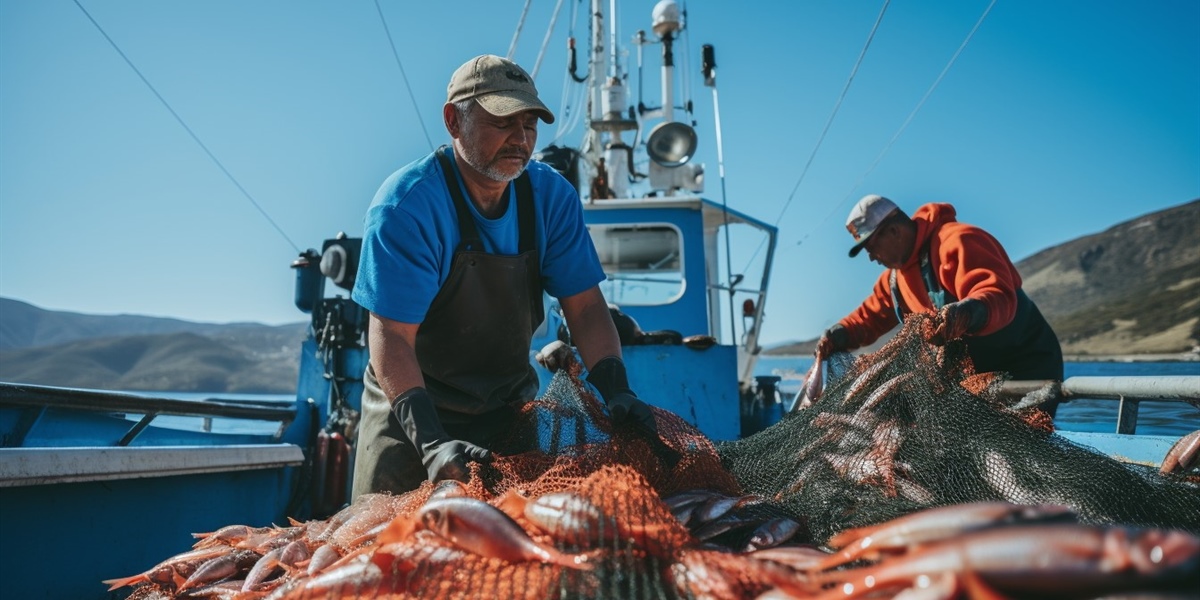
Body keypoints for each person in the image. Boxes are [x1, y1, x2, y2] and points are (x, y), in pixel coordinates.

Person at [349, 55, 657, 498]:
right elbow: (391, 336)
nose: (521, 138)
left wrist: (617, 389)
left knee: (513, 534)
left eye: (530, 124)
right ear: (453, 121)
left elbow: (587, 307)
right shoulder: (406, 207)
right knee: (387, 536)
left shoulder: (551, 197)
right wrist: (432, 444)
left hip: (507, 414)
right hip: (410, 416)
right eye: (502, 121)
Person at [817, 194, 1064, 415]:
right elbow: (868, 318)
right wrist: (840, 333)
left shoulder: (959, 240)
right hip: (973, 380)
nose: (871, 257)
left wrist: (969, 313)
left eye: (872, 247)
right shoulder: (893, 280)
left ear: (893, 231)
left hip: (1025, 370)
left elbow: (996, 295)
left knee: (1016, 444)